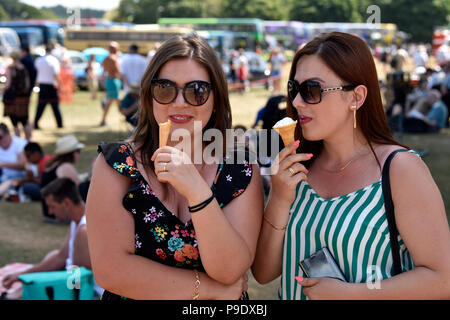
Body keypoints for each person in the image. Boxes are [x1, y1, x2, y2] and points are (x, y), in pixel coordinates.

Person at [252, 32, 450, 300]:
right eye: (294, 89)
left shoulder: (400, 170)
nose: (297, 102)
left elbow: (442, 279)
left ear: (356, 97)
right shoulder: (297, 170)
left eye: (312, 90)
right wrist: (278, 198)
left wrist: (354, 294)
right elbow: (264, 273)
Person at [86, 34, 264, 300]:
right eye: (165, 88)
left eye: (197, 91)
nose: (179, 102)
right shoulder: (117, 164)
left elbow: (229, 270)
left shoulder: (240, 169)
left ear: (216, 99)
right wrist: (211, 290)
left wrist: (197, 192)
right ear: (149, 95)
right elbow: (112, 271)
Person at [1, 178, 103, 299]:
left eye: (52, 206)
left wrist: (39, 280)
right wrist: (22, 274)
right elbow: (61, 257)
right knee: (51, 256)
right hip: (77, 281)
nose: (50, 212)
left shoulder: (84, 231)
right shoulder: (78, 221)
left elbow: (78, 281)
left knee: (33, 285)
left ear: (66, 203)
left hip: (87, 291)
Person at [40, 134, 85, 222]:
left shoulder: (53, 165)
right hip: (58, 212)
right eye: (78, 151)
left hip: (48, 212)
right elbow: (79, 189)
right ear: (72, 153)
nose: (80, 154)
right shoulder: (66, 167)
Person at [2, 50, 32, 141]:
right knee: (25, 121)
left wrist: (2, 89)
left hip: (13, 98)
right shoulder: (23, 68)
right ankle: (28, 140)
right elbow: (27, 84)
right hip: (23, 98)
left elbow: (8, 84)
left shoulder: (11, 68)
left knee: (14, 122)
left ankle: (18, 141)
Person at [33, 45, 63, 130]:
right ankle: (59, 124)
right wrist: (60, 85)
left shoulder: (39, 60)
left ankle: (35, 123)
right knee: (55, 107)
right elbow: (56, 74)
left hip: (42, 86)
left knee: (40, 106)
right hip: (51, 86)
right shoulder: (54, 60)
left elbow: (37, 74)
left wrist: (36, 85)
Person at [100, 41, 122, 126]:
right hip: (114, 80)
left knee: (113, 100)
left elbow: (104, 71)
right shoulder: (114, 58)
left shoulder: (106, 58)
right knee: (114, 101)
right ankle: (125, 116)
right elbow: (119, 71)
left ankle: (104, 120)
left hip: (109, 80)